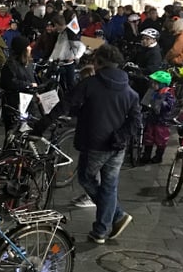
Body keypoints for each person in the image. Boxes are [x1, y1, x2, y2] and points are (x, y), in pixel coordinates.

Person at [51, 44, 139, 244]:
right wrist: (121, 137)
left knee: (86, 178)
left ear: (99, 63)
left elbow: (66, 104)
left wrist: (42, 124)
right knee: (109, 185)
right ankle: (101, 229)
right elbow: (135, 121)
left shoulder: (90, 84)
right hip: (118, 146)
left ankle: (116, 216)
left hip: (95, 144)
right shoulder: (129, 90)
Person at [0, 35, 36, 135]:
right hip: (14, 103)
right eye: (28, 46)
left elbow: (31, 79)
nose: (30, 48)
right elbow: (8, 83)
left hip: (27, 101)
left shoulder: (28, 63)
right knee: (13, 133)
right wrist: (28, 85)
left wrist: (36, 92)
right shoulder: (10, 64)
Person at [140, 71, 178, 164]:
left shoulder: (168, 94)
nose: (152, 85)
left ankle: (158, 156)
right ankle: (146, 155)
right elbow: (145, 102)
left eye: (155, 83)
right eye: (152, 82)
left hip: (162, 121)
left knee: (161, 139)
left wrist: (160, 102)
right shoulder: (152, 91)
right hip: (151, 118)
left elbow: (170, 106)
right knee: (148, 137)